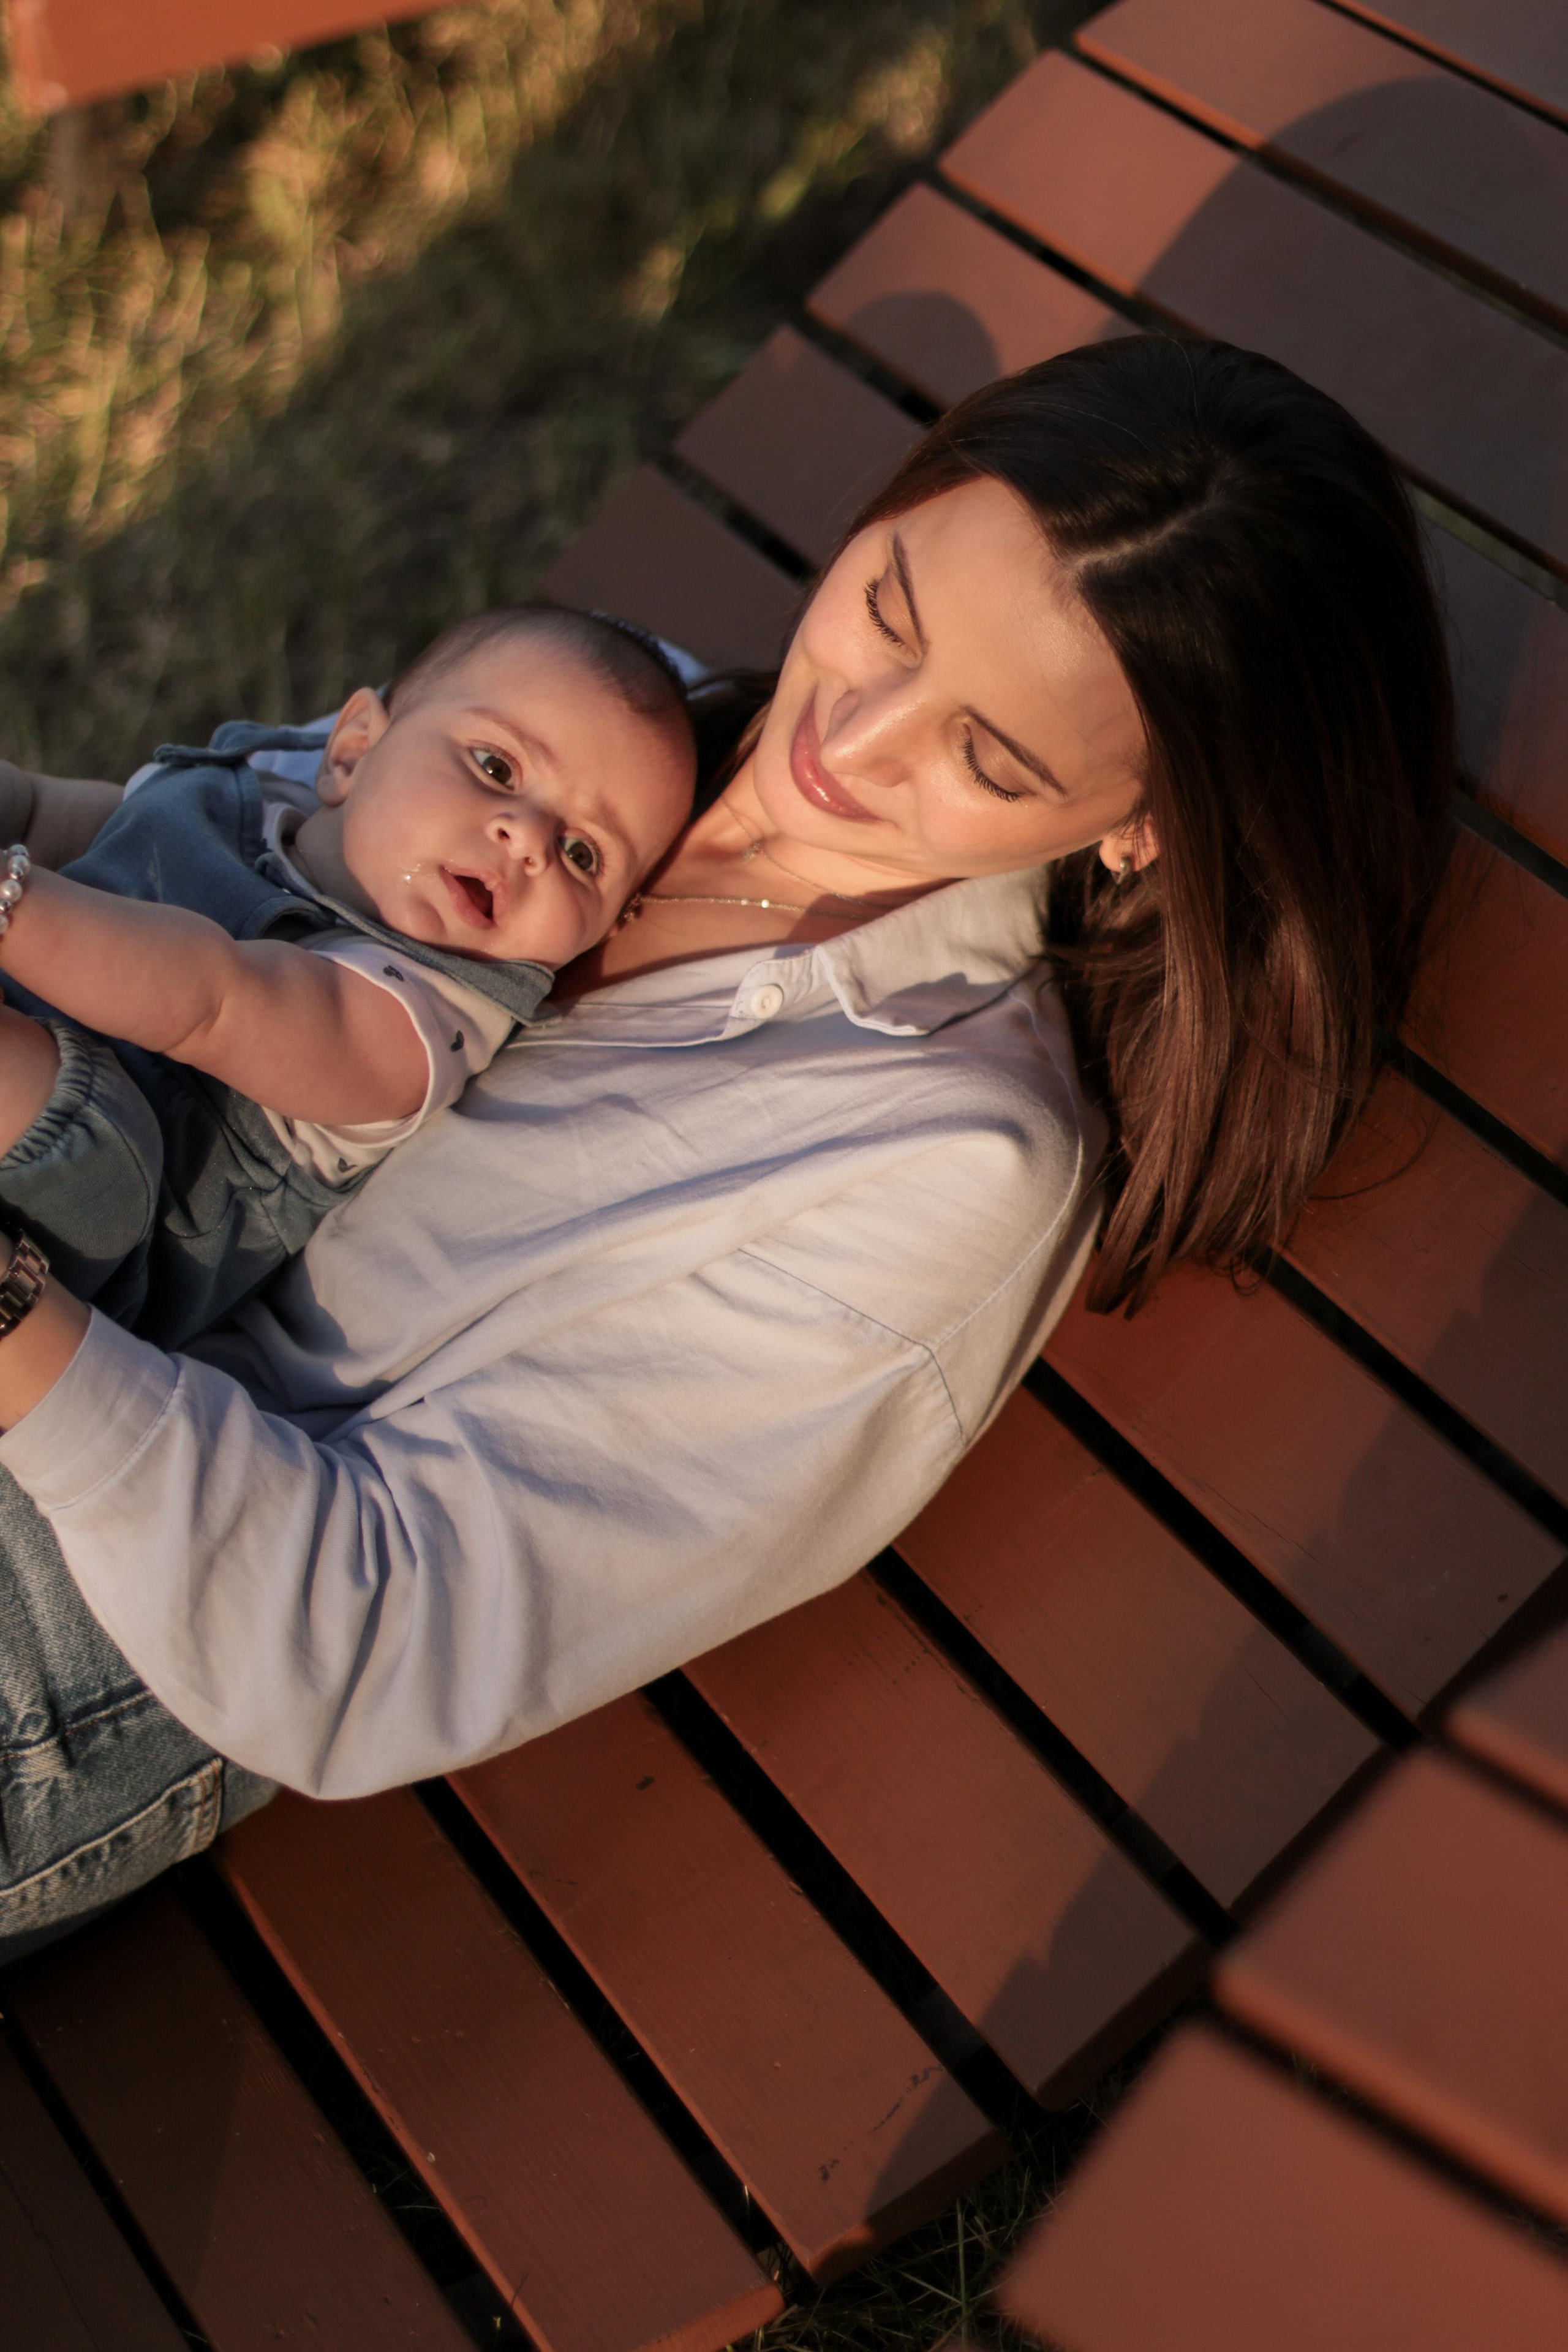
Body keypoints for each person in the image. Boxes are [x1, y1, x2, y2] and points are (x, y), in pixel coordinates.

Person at [0, 338, 1453, 1957]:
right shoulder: (614, 723)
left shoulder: (942, 1166)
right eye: (889, 607)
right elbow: (198, 845)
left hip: (62, 1616)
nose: (855, 734)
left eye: (987, 757)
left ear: (1144, 825)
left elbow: (360, 1630)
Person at [0, 603, 695, 1350]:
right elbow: (48, 815)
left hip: (93, 1225)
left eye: (583, 855)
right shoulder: (241, 795)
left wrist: (13, 904)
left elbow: (210, 1001)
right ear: (354, 752)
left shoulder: (417, 1023)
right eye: (496, 768)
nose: (526, 838)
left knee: (23, 1068)